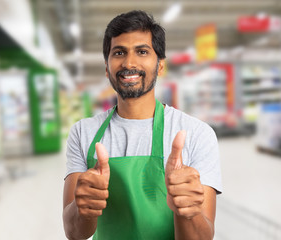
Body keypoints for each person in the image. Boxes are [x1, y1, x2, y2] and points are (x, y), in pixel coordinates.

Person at [63, 10, 222, 240]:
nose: (129, 62)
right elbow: (73, 233)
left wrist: (188, 212)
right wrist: (82, 209)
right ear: (107, 67)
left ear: (160, 65)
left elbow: (203, 237)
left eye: (142, 51)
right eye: (119, 52)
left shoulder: (196, 134)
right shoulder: (83, 133)